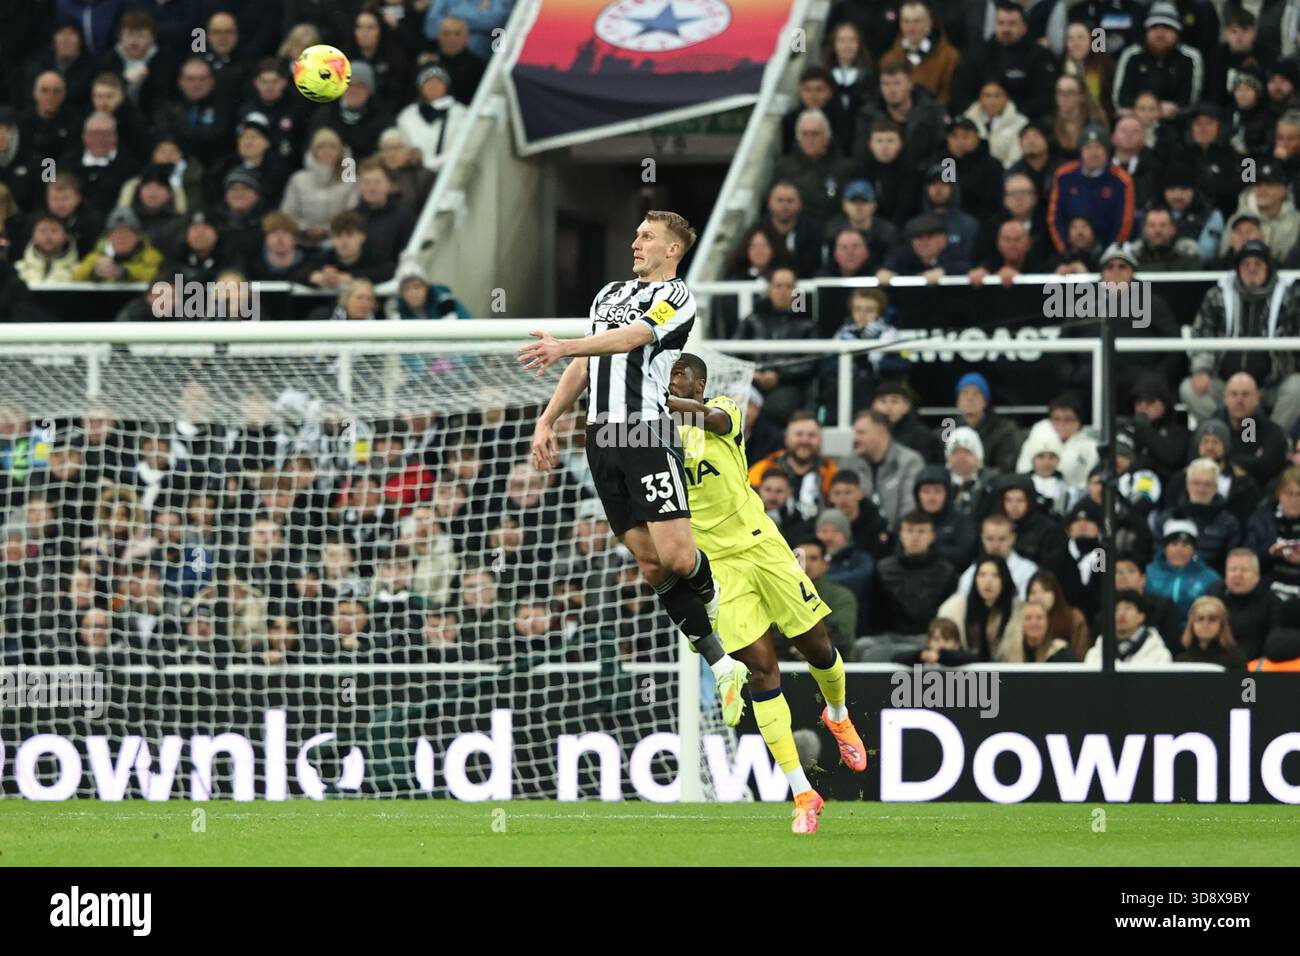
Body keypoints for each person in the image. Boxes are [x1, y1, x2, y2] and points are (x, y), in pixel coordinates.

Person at [520, 211, 746, 722]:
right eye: (636, 234)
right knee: (649, 564)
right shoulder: (607, 294)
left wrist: (562, 345)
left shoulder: (678, 297)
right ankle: (722, 663)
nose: (636, 242)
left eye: (648, 237)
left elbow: (630, 340)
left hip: (645, 432)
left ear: (672, 250)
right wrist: (546, 420)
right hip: (601, 437)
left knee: (680, 559)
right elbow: (585, 364)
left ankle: (720, 620)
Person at [667, 353, 864, 833]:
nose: (670, 386)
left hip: (763, 549)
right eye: (665, 379)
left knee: (816, 645)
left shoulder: (723, 411)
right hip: (721, 570)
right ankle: (803, 793)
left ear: (699, 385)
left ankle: (837, 715)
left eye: (678, 379)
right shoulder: (656, 439)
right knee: (760, 670)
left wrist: (658, 401)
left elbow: (710, 420)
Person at [1184, 242, 1300, 430]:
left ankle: (1274, 441)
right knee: (1189, 389)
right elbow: (1202, 333)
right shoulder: (1217, 295)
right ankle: (1226, 436)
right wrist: (1201, 369)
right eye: (1246, 264)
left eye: (1258, 264)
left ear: (1268, 268)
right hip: (1226, 386)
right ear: (1238, 269)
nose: (1252, 268)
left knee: (1298, 386)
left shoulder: (1290, 297)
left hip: (1271, 385)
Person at [1047, 123, 1136, 255]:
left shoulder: (1122, 180)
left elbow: (1124, 222)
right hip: (1069, 252)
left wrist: (1110, 253)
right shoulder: (1063, 176)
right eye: (1088, 147)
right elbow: (1054, 218)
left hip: (1108, 253)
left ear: (1106, 151)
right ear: (1080, 151)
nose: (1093, 153)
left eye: (1098, 147)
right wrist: (1064, 251)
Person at [871, 509, 956, 638]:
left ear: (932, 536)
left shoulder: (947, 571)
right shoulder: (883, 570)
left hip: (932, 638)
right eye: (909, 530)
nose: (915, 537)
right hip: (890, 637)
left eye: (922, 531)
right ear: (900, 534)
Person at [936, 555, 1026, 662]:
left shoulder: (1018, 611)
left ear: (1004, 579)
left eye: (995, 575)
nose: (988, 581)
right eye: (982, 575)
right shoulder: (955, 609)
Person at [1145, 518, 1222, 635]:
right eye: (1174, 544)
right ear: (1165, 547)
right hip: (1153, 634)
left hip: (1194, 636)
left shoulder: (1210, 578)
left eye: (1185, 545)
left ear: (1194, 549)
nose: (1179, 549)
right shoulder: (1148, 573)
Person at [1209, 548, 1276, 661]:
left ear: (1257, 576)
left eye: (1244, 570)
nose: (1237, 574)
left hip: (1257, 670)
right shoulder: (1214, 601)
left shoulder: (1272, 603)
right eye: (1233, 569)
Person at [1084, 590, 1173, 666]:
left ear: (1141, 616)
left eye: (1128, 608)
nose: (1121, 614)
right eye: (1116, 609)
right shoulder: (1095, 654)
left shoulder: (1160, 655)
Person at [1026, 568, 1089, 660]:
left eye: (1045, 591)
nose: (1039, 597)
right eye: (1033, 592)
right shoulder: (1020, 619)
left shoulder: (1074, 618)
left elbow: (1081, 655)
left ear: (1056, 593)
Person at [1177, 596, 1247, 669]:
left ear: (1222, 624)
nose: (1205, 624)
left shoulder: (1235, 659)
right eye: (1200, 619)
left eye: (1212, 619)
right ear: (1191, 624)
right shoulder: (1182, 660)